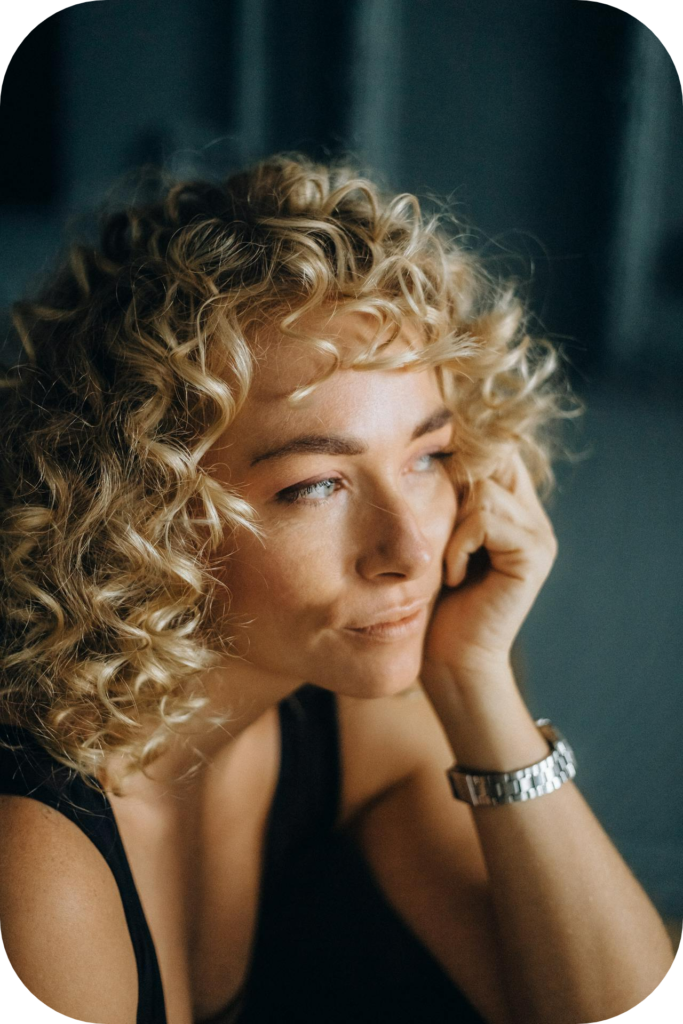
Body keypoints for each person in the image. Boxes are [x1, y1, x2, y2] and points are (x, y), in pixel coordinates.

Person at [0, 153, 676, 1024]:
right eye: (316, 484)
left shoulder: (352, 716)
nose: (406, 548)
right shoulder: (35, 864)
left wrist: (477, 682)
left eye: (428, 458)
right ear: (146, 509)